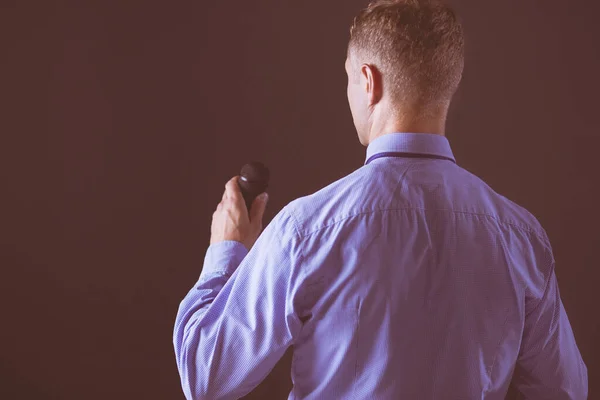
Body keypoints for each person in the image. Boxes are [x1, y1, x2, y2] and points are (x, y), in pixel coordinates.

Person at [173, 0, 588, 398]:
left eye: (349, 78)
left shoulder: (306, 231)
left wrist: (226, 254)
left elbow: (204, 376)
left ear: (368, 82)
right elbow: (565, 391)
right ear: (450, 84)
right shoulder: (521, 238)